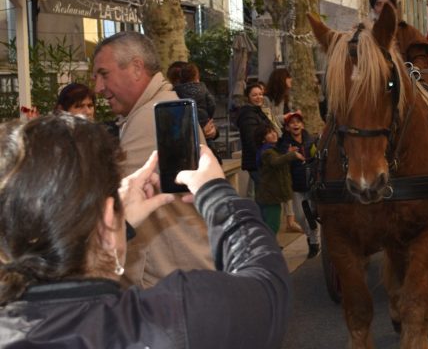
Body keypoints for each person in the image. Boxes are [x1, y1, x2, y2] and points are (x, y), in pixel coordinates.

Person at [0, 114, 290, 347]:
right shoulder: (174, 315)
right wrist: (217, 195)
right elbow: (268, 288)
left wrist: (113, 225)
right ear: (105, 216)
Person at [92, 31, 214, 288]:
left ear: (137, 68)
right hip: (182, 278)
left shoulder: (150, 117)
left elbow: (108, 201)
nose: (98, 88)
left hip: (169, 282)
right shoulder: (158, 108)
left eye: (104, 75)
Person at [265, 67, 304, 234]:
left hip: (283, 140)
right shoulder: (268, 99)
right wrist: (288, 116)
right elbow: (271, 120)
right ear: (282, 79)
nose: (291, 81)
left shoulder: (286, 98)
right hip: (274, 142)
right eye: (289, 78)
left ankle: (290, 219)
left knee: (287, 181)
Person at [278, 110, 320, 258]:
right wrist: (288, 153)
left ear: (302, 125)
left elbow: (318, 157)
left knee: (312, 215)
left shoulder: (311, 139)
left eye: (298, 122)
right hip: (296, 186)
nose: (295, 125)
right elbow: (280, 161)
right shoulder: (284, 144)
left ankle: (314, 242)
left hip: (312, 185)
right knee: (301, 217)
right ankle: (310, 236)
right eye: (291, 123)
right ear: (288, 128)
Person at [254, 121, 305, 235]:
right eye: (269, 133)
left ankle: (271, 245)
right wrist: (293, 155)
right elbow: (276, 162)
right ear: (263, 139)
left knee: (272, 223)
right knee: (273, 225)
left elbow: (279, 160)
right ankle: (269, 247)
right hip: (270, 195)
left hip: (273, 195)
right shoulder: (267, 152)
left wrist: (287, 153)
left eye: (273, 131)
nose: (273, 134)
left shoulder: (272, 150)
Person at [369, 0, 428, 68]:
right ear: (373, 9)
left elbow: (420, 58)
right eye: (378, 4)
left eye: (387, 4)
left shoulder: (409, 32)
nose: (383, 8)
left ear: (394, 8)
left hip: (402, 79)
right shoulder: (366, 33)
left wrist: (413, 70)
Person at [173, 62, 220, 160]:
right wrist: (209, 117)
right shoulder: (203, 88)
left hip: (189, 124)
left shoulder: (177, 92)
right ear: (197, 75)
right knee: (210, 147)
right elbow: (212, 103)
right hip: (203, 120)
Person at [237, 82, 275, 197]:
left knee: (261, 193)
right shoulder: (248, 114)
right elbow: (251, 140)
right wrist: (263, 157)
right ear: (248, 97)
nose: (259, 97)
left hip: (261, 158)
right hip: (257, 161)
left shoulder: (258, 112)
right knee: (264, 195)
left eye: (260, 94)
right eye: (254, 95)